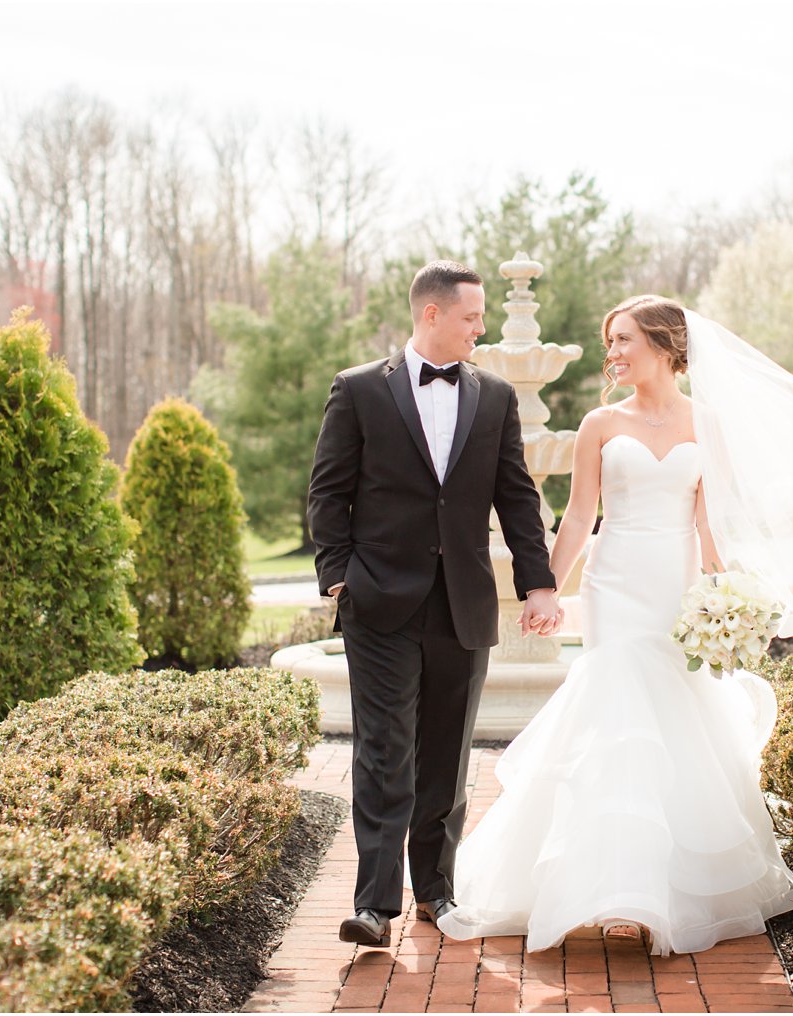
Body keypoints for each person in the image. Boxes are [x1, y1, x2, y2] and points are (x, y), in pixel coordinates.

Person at [435, 295, 793, 955]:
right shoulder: (598, 425)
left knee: (676, 717)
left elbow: (709, 523)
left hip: (676, 585)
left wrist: (730, 596)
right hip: (616, 585)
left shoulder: (707, 424)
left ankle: (670, 885)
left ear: (665, 345)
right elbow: (579, 517)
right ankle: (617, 891)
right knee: (618, 715)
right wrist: (544, 587)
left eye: (623, 340)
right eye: (608, 341)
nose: (612, 353)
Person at [307, 260, 564, 948]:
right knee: (384, 752)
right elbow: (328, 492)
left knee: (446, 760)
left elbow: (516, 497)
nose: (481, 329)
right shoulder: (360, 390)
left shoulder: (497, 397)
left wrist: (538, 583)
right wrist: (338, 577)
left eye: (482, 317)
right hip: (378, 603)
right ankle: (374, 905)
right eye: (472, 318)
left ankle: (439, 893)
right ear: (432, 315)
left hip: (464, 604)